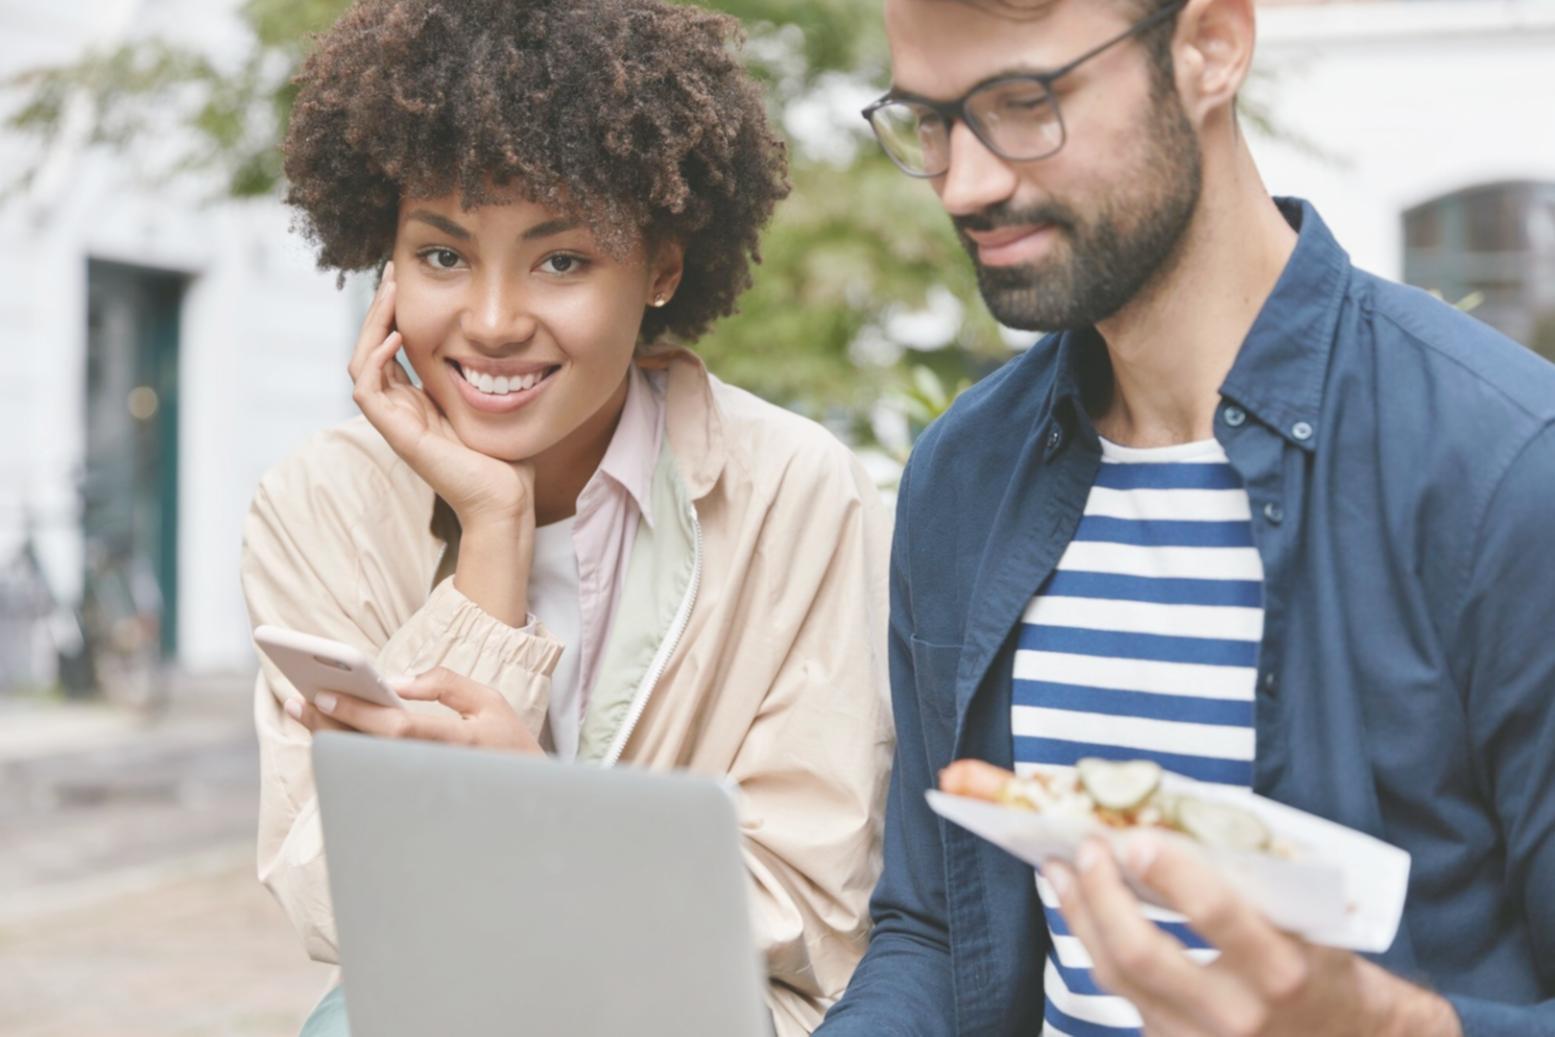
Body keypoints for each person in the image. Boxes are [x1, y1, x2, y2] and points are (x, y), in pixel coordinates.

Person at [818, 0, 1555, 1035]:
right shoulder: (963, 472)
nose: (967, 182)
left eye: (1024, 104)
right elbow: (936, 927)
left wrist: (1396, 1027)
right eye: (928, 121)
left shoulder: (1508, 471)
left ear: (1210, 47)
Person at [240, 1, 894, 1033]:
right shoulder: (322, 503)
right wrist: (491, 535)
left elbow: (810, 911)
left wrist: (539, 813)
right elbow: (333, 902)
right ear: (386, 265)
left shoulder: (798, 495)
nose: (493, 322)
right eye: (443, 256)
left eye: (562, 260)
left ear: (662, 266)